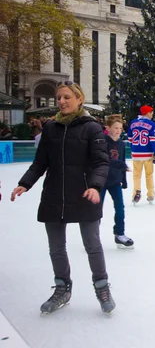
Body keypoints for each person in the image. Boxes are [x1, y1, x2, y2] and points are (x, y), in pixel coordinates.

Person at [10, 81, 115, 314]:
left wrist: (96, 186)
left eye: (67, 97)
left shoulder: (92, 128)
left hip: (85, 192)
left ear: (79, 99)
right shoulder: (50, 128)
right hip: (55, 193)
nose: (62, 101)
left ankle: (102, 286)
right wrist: (24, 183)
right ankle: (62, 288)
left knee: (92, 245)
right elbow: (40, 162)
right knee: (56, 247)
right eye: (59, 97)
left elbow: (101, 162)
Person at [101, 115, 133, 249]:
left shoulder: (120, 143)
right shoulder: (102, 141)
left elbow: (123, 163)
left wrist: (123, 180)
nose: (119, 130)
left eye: (120, 128)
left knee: (120, 208)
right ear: (107, 128)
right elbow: (104, 160)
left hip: (115, 181)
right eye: (115, 128)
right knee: (96, 210)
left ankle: (119, 234)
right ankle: (92, 237)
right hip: (101, 180)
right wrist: (120, 165)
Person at [128, 105, 155, 205]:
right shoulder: (151, 124)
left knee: (137, 175)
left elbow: (130, 139)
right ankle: (150, 194)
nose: (152, 115)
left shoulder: (133, 123)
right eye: (151, 113)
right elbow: (153, 140)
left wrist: (134, 149)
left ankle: (136, 192)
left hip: (136, 154)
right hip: (148, 154)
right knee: (149, 175)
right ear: (147, 113)